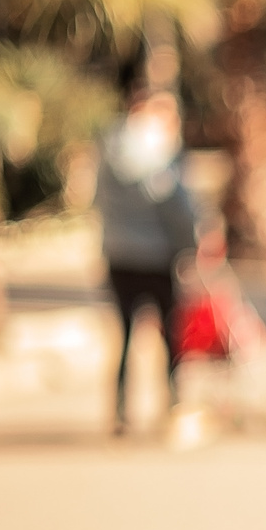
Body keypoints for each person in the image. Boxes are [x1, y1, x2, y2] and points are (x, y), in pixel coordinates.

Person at [97, 86, 198, 436]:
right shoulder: (157, 154)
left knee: (125, 337)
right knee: (169, 336)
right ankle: (172, 406)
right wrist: (190, 246)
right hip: (157, 257)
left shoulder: (108, 151)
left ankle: (122, 412)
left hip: (119, 255)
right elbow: (177, 207)